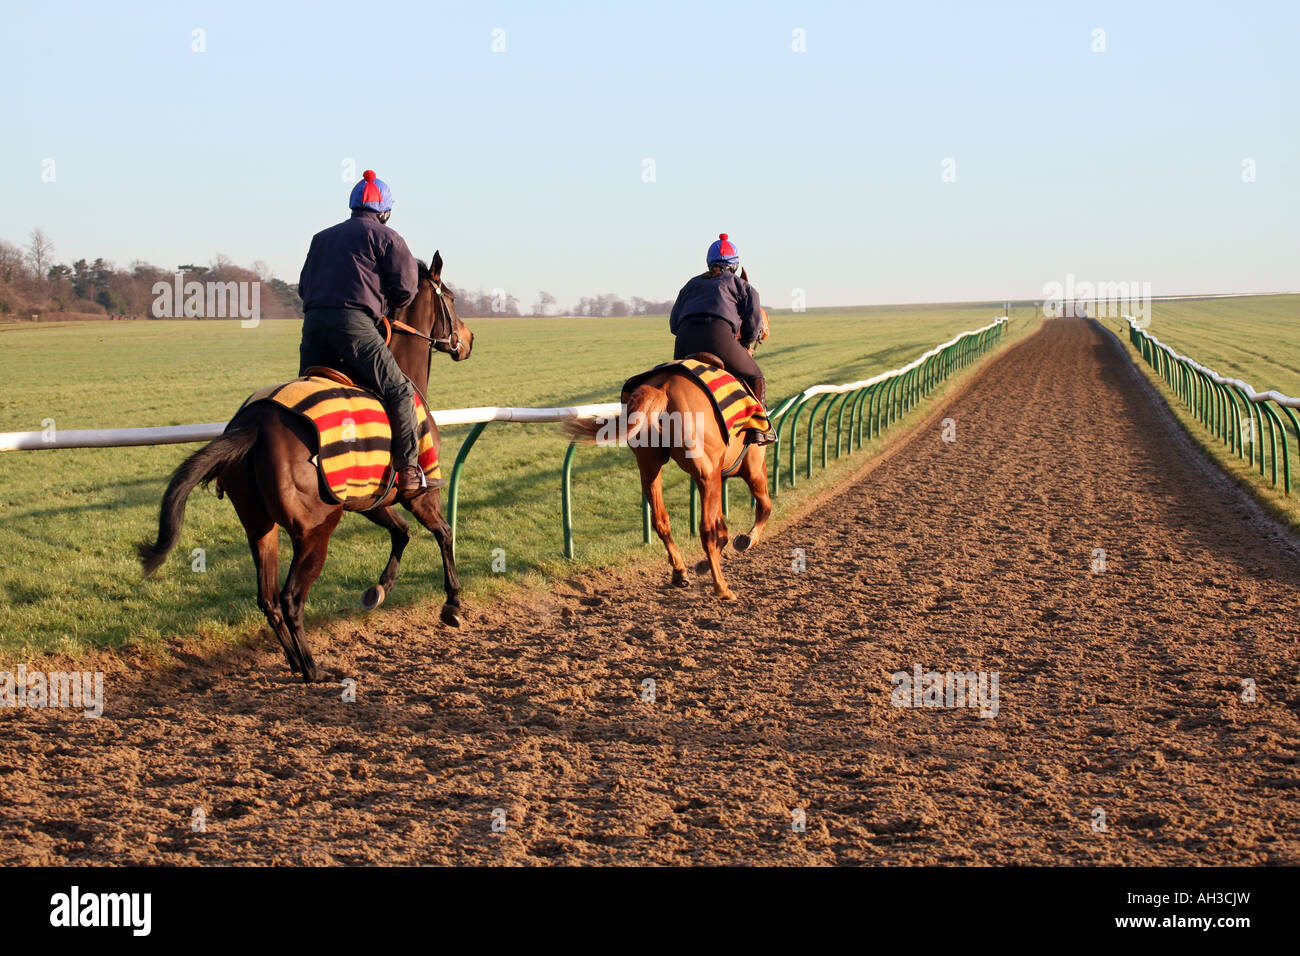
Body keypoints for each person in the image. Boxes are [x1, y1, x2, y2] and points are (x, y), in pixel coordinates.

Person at [297, 169, 429, 498]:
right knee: (399, 390)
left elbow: (303, 287)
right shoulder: (388, 238)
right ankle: (409, 469)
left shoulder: (321, 237)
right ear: (385, 211)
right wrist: (382, 304)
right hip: (354, 326)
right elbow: (406, 289)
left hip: (313, 325)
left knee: (308, 395)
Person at [669, 233, 777, 444]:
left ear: (709, 263)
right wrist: (745, 343)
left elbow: (674, 325)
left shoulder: (690, 285)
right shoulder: (743, 286)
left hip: (684, 341)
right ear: (735, 265)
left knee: (674, 381)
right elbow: (754, 325)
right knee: (756, 376)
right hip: (719, 338)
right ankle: (759, 427)